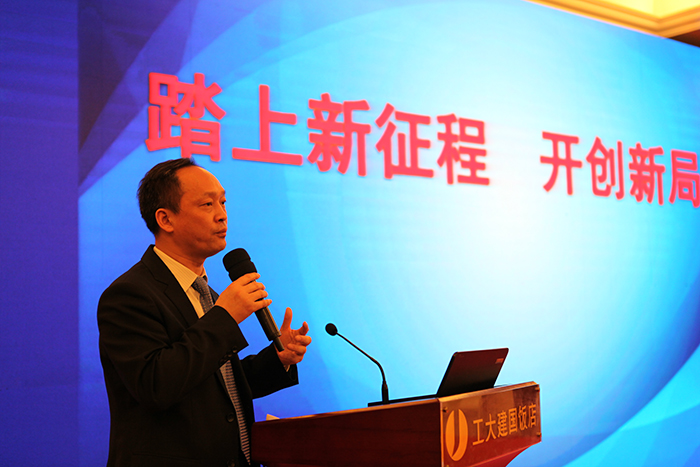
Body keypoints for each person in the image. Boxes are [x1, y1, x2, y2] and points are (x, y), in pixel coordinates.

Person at [98, 158, 312, 467]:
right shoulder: (129, 295)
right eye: (207, 204)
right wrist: (225, 317)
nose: (222, 215)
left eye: (223, 202)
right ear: (165, 219)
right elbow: (156, 385)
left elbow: (216, 387)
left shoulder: (207, 294)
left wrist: (278, 359)